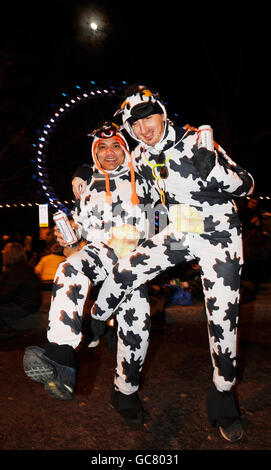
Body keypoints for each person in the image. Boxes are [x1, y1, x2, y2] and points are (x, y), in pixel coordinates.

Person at [79, 85, 254, 442]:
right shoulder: (141, 156)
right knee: (126, 268)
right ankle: (96, 322)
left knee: (223, 318)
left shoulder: (194, 141)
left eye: (149, 117)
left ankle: (223, 395)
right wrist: (82, 172)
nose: (144, 128)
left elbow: (247, 186)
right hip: (180, 230)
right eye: (135, 124)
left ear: (162, 113)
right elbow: (114, 168)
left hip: (219, 236)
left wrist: (214, 168)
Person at [23, 122, 153, 425]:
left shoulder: (144, 177)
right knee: (69, 268)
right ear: (95, 152)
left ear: (125, 147)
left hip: (132, 260)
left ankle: (125, 391)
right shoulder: (89, 183)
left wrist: (154, 236)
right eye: (102, 148)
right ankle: (61, 355)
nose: (109, 153)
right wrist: (69, 234)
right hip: (98, 252)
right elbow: (80, 226)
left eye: (116, 146)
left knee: (137, 327)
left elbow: (160, 208)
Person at [0, 242, 42, 334]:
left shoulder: (15, 272)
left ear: (9, 255)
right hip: (30, 304)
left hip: (24, 306)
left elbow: (7, 294)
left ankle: (8, 334)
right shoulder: (23, 268)